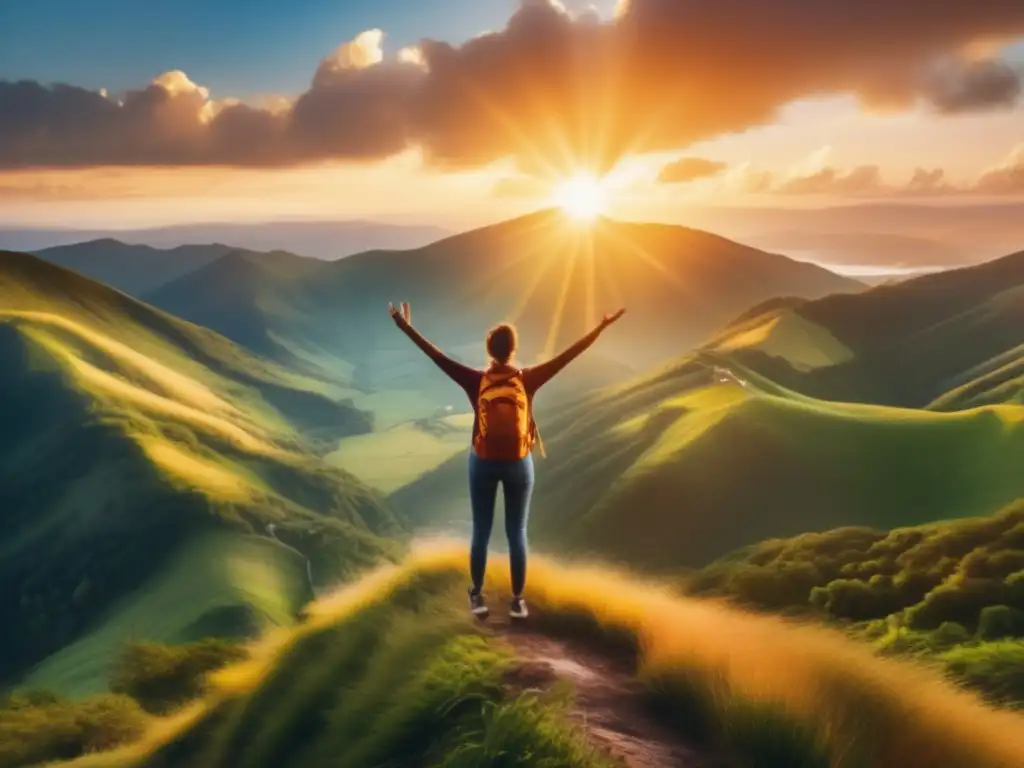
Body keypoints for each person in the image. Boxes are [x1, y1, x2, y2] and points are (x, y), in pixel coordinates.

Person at [388, 300, 626, 619]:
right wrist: (601, 326)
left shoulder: (475, 380)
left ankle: (477, 597)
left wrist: (405, 327)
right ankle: (517, 601)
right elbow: (570, 355)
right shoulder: (527, 380)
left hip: (483, 461)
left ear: (489, 351)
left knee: (481, 531)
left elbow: (436, 356)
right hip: (519, 463)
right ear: (513, 350)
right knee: (517, 532)